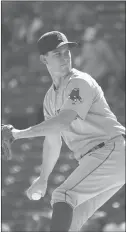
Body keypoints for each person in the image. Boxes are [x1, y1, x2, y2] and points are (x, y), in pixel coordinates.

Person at [8, 31, 125, 231]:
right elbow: (53, 140)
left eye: (66, 52)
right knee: (71, 221)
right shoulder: (50, 98)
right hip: (99, 158)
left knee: (63, 195)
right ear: (43, 59)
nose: (64, 57)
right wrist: (43, 179)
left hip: (112, 151)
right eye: (57, 53)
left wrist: (18, 134)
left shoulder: (79, 82)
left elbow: (63, 122)